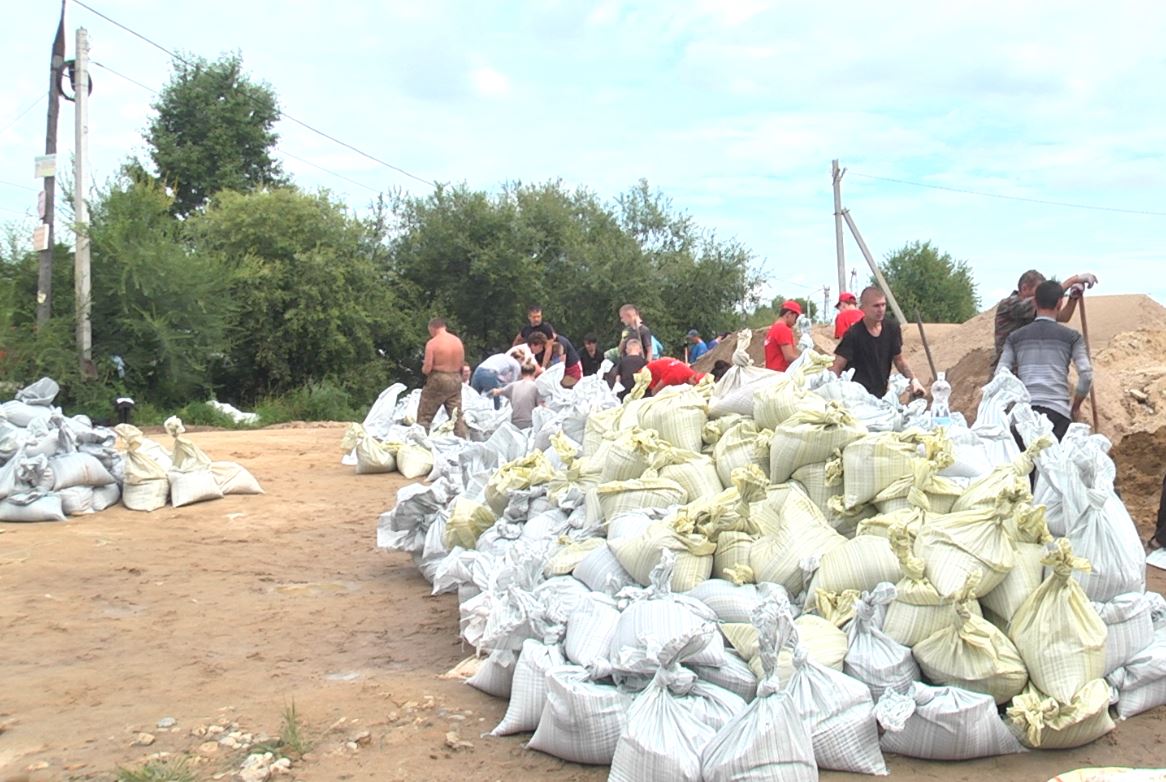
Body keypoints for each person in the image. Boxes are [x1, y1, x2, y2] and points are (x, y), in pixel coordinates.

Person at [996, 280, 1093, 443]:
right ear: (1059, 303)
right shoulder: (1072, 338)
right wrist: (1075, 407)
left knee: (1022, 467)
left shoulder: (1015, 338)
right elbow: (1086, 374)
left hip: (1023, 418)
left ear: (1034, 302)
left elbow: (1000, 375)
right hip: (1059, 416)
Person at [831, 287, 926, 399]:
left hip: (881, 395)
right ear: (863, 308)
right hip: (856, 397)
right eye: (876, 306)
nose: (880, 309)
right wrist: (832, 391)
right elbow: (838, 366)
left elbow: (899, 360)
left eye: (883, 305)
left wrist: (914, 381)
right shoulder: (854, 334)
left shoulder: (892, 328)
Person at [994, 270, 1098, 364]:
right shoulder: (1010, 305)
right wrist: (1072, 280)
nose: (1041, 295)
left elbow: (1063, 317)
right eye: (1039, 291)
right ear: (1024, 288)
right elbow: (1048, 296)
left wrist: (1073, 297)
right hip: (1008, 371)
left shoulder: (1036, 308)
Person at [418, 317, 467, 437]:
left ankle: (420, 442)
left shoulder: (433, 343)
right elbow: (462, 364)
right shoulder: (457, 341)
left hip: (439, 378)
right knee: (456, 416)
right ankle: (463, 443)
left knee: (425, 415)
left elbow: (427, 368)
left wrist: (424, 369)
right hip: (455, 378)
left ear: (432, 328)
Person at [490, 364, 543, 429]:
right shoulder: (535, 386)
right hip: (530, 423)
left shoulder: (513, 385)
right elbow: (541, 407)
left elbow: (496, 392)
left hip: (515, 423)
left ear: (521, 373)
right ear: (534, 373)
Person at [764, 300, 803, 372]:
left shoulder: (773, 329)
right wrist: (805, 359)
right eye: (795, 317)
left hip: (770, 373)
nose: (795, 322)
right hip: (781, 375)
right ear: (788, 314)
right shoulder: (783, 329)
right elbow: (789, 357)